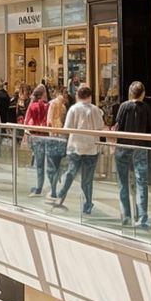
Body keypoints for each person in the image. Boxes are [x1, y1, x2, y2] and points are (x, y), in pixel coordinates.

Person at [51, 83, 105, 214]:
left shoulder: (73, 109)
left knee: (70, 172)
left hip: (75, 147)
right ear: (89, 96)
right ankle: (87, 203)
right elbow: (100, 127)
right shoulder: (95, 110)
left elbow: (67, 128)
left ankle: (61, 195)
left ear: (78, 96)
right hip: (92, 148)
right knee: (87, 179)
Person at [113, 80, 151, 228]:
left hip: (123, 147)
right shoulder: (147, 108)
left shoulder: (124, 106)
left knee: (123, 181)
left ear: (130, 93)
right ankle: (142, 217)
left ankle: (126, 215)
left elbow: (118, 126)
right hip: (140, 148)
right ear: (143, 93)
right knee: (141, 182)